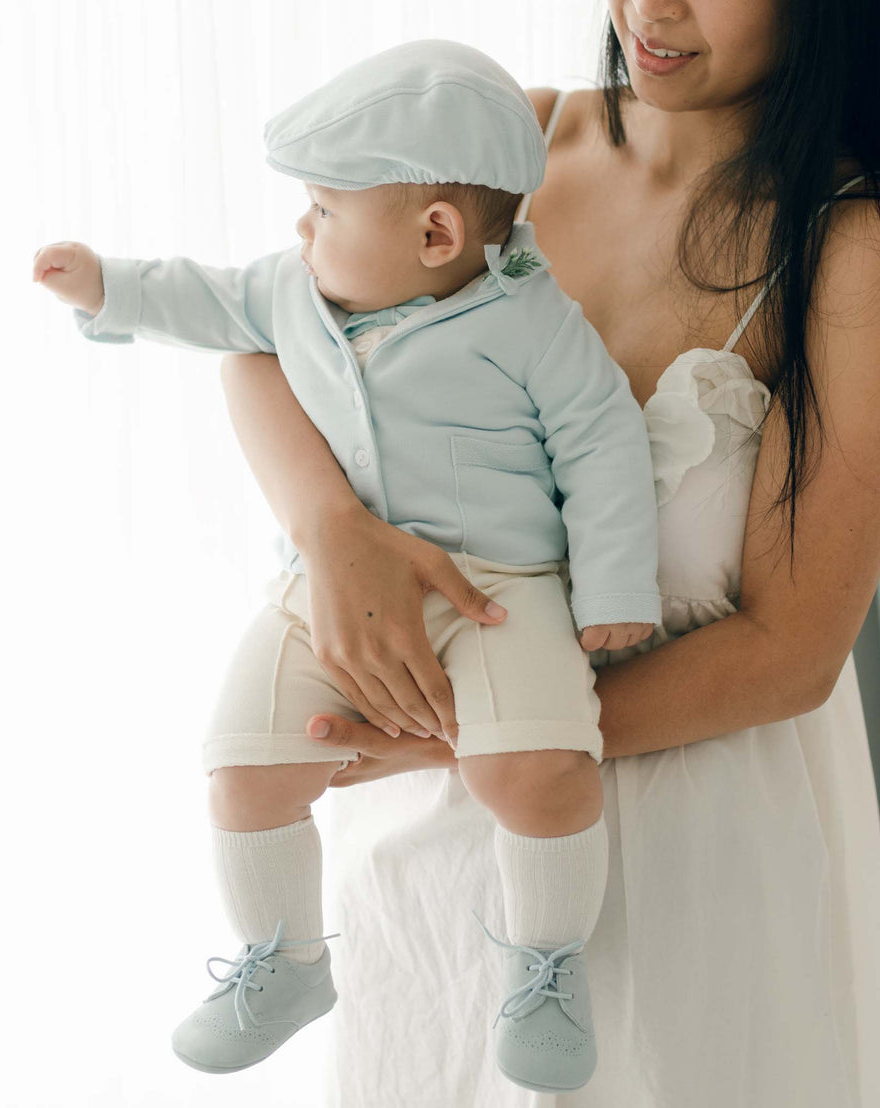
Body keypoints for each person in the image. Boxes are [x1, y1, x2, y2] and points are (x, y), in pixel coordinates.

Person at [216, 3, 880, 1106]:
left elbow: (792, 650)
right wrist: (334, 529)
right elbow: (255, 330)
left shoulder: (842, 247)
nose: (652, 9)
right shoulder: (503, 149)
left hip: (689, 856)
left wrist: (483, 741)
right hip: (429, 848)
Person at [34, 39, 665, 1093]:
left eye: (324, 208)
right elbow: (209, 298)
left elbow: (600, 443)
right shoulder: (293, 293)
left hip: (499, 593)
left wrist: (611, 593)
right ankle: (283, 959)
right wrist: (108, 288)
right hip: (320, 586)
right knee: (242, 763)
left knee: (541, 769)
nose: (300, 228)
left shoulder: (529, 324)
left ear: (434, 233)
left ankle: (547, 960)